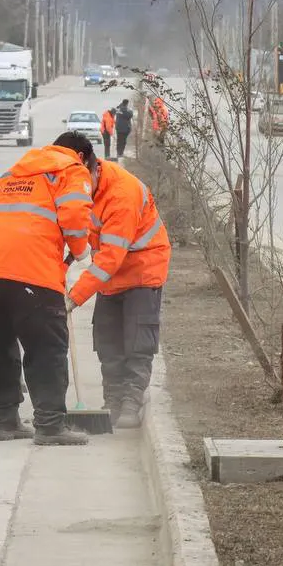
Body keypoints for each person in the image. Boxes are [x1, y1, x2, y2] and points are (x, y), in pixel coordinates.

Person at [0, 131, 97, 446]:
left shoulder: (12, 173)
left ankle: (5, 422)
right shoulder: (71, 170)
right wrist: (81, 249)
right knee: (47, 347)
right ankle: (50, 425)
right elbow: (72, 215)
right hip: (32, 268)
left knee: (0, 344)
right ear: (81, 155)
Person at [64, 157, 170, 428]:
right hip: (111, 277)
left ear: (94, 167)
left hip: (142, 271)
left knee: (137, 342)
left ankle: (131, 401)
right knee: (108, 340)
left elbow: (110, 257)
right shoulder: (83, 189)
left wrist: (74, 298)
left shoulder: (123, 193)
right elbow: (80, 233)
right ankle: (112, 400)